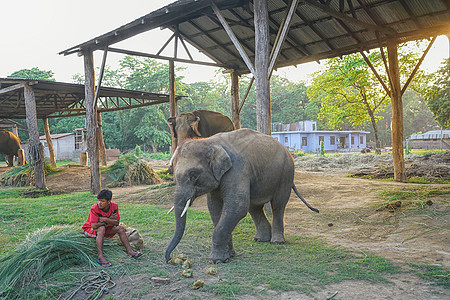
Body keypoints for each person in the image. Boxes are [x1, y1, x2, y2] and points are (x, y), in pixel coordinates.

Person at [82, 189, 142, 267]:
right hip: (90, 229)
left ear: (109, 201)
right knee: (101, 228)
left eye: (102, 201)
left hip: (104, 227)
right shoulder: (94, 208)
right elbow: (94, 225)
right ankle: (100, 257)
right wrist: (110, 219)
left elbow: (116, 222)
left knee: (120, 228)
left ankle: (130, 251)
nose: (99, 203)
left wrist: (104, 219)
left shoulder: (114, 206)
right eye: (99, 200)